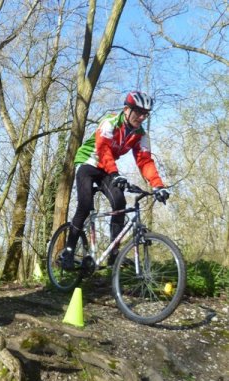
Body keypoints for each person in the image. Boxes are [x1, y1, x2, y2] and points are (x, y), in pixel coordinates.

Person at [61, 91, 169, 270]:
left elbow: (145, 161)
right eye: (138, 112)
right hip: (89, 163)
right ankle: (69, 251)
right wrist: (115, 173)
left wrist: (158, 185)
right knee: (85, 205)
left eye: (145, 114)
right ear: (126, 109)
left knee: (119, 202)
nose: (141, 117)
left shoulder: (141, 135)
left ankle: (114, 255)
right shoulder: (109, 122)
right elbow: (103, 149)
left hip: (107, 169)